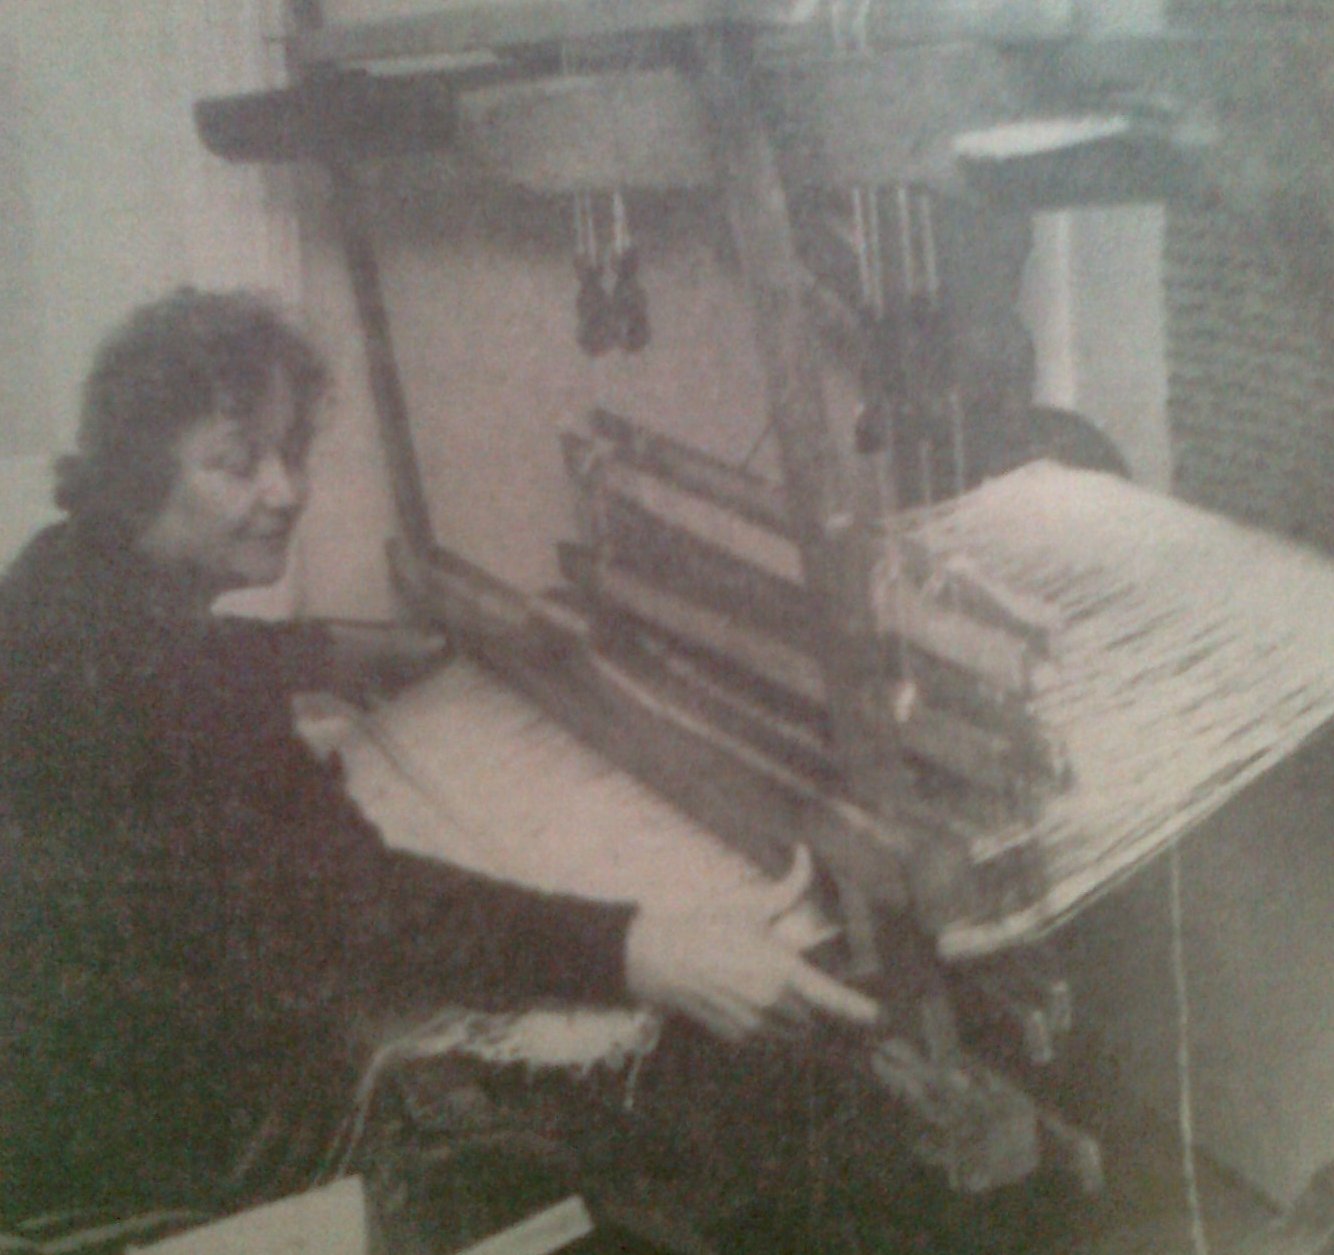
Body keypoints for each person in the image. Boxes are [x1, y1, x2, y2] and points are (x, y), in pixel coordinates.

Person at [0, 288, 878, 1228]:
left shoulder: (57, 576)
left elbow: (182, 663)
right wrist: (642, 947)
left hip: (50, 1116)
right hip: (151, 1174)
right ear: (137, 474)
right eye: (235, 462)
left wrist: (323, 652)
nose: (285, 491)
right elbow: (367, 906)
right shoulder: (180, 692)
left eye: (292, 451)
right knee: (622, 1152)